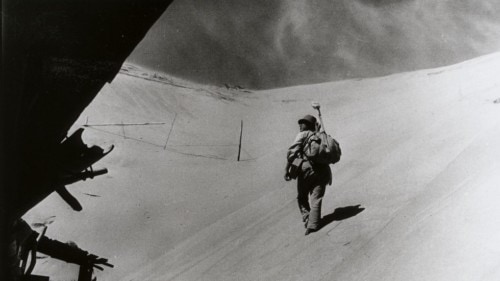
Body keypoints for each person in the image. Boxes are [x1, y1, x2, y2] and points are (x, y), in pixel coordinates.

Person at [285, 115, 332, 235]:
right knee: (316, 198)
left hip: (306, 169)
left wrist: (287, 169)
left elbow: (292, 154)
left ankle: (307, 220)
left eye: (303, 123)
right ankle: (314, 224)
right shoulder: (321, 135)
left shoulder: (303, 135)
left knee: (302, 196)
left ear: (308, 125)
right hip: (323, 170)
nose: (300, 125)